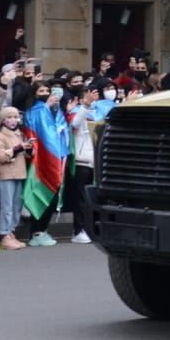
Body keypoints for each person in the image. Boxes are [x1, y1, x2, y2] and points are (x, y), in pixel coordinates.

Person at [23, 81, 68, 247]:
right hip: (42, 160)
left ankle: (43, 229)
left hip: (56, 159)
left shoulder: (53, 109)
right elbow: (42, 133)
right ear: (35, 94)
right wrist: (46, 108)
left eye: (47, 90)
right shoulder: (34, 111)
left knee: (54, 195)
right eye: (41, 90)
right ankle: (36, 231)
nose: (46, 93)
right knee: (42, 193)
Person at [0, 106, 27, 250]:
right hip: (6, 174)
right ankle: (4, 233)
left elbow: (23, 155)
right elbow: (0, 156)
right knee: (6, 206)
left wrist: (29, 149)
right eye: (9, 117)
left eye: (15, 117)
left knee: (16, 205)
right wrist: (18, 148)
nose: (13, 120)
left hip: (20, 172)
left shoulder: (19, 134)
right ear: (3, 120)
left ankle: (11, 231)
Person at [68, 84, 97, 244]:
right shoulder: (75, 111)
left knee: (91, 199)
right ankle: (78, 230)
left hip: (95, 161)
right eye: (90, 93)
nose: (93, 96)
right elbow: (74, 125)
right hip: (81, 161)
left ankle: (89, 229)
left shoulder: (98, 110)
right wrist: (85, 105)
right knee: (81, 198)